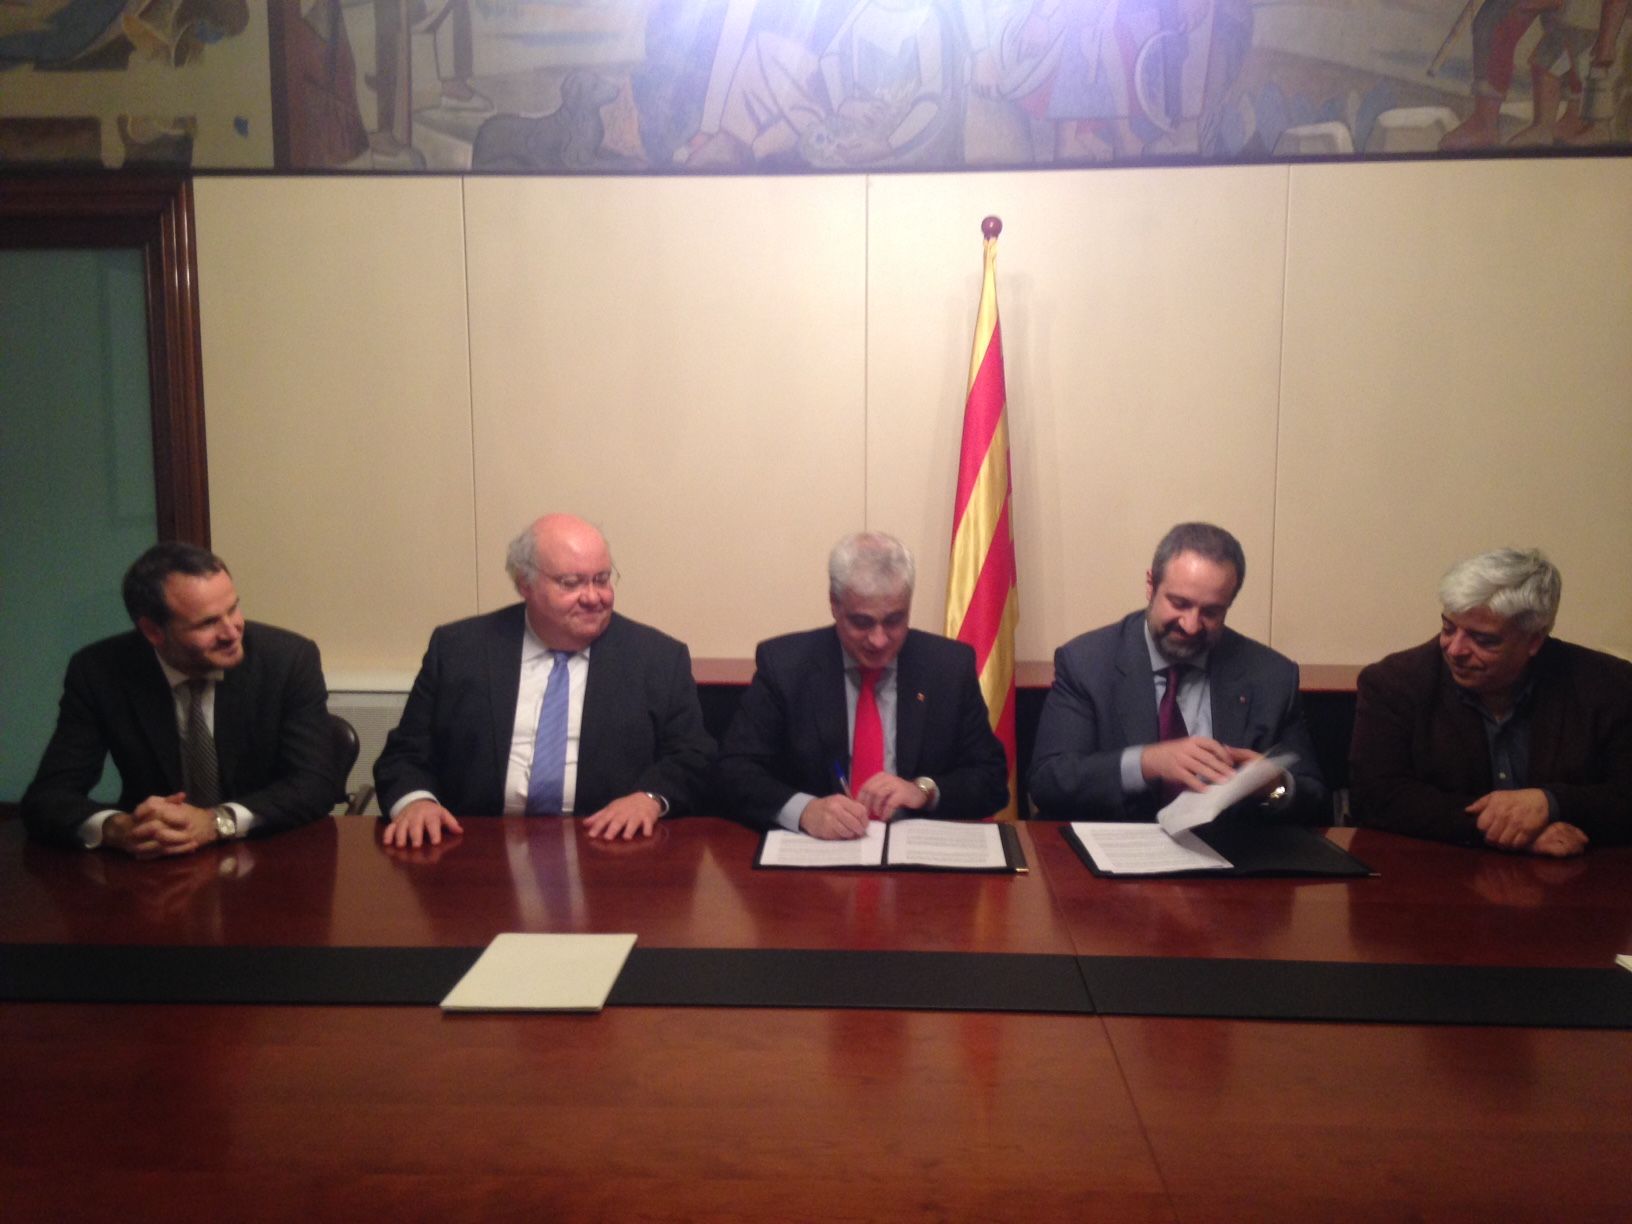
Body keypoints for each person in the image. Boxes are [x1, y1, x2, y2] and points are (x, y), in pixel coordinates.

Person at [374, 514, 714, 846]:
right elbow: (405, 754)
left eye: (601, 579)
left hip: (609, 846)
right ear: (525, 584)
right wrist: (417, 803)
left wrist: (649, 798)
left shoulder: (657, 658)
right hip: (474, 845)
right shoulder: (460, 650)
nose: (593, 597)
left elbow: (693, 757)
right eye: (571, 583)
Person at [21, 542, 337, 856]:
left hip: (264, 852)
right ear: (153, 632)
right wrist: (118, 828)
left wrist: (216, 822)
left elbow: (316, 784)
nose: (232, 631)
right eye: (208, 622)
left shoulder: (288, 660)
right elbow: (48, 798)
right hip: (156, 858)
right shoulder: (99, 671)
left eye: (233, 609)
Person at [1028, 522, 1327, 822]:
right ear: (1150, 585)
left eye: (1211, 612)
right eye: (1179, 603)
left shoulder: (1271, 675)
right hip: (1118, 842)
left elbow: (1313, 798)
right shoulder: (1088, 662)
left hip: (1227, 846)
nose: (1191, 625)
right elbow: (1049, 781)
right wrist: (1146, 763)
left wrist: (1272, 787)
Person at [717, 531, 1009, 838]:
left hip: (916, 852)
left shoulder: (948, 667)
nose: (879, 640)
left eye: (894, 620)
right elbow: (733, 771)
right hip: (818, 851)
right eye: (862, 622)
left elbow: (991, 780)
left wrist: (923, 790)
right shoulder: (786, 666)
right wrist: (804, 810)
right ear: (834, 604)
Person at [1349, 548, 1632, 856]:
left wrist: (1552, 803)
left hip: (1578, 876)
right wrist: (1512, 831)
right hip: (1442, 870)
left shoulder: (1610, 686)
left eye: (1483, 639)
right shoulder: (1395, 683)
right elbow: (1376, 797)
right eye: (1448, 628)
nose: (1455, 649)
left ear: (1534, 640)